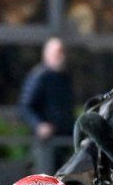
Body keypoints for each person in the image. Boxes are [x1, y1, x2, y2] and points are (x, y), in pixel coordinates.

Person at [19, 37, 75, 173]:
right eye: (58, 52)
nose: (62, 57)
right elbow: (25, 107)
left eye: (63, 52)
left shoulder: (64, 77)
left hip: (64, 140)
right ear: (47, 54)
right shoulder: (40, 76)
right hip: (46, 143)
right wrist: (39, 124)